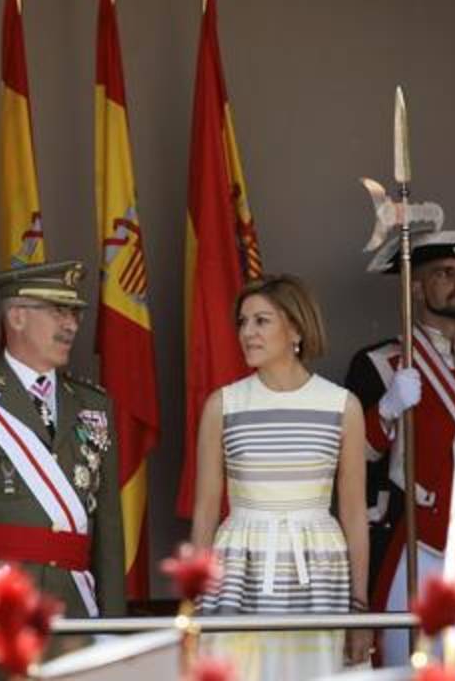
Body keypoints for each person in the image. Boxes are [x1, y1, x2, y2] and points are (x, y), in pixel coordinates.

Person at [0, 260, 125, 679]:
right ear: (17, 316)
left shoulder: (93, 404)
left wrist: (114, 622)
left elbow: (107, 527)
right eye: (57, 311)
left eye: (74, 313)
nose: (70, 325)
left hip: (74, 612)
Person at [190, 274, 372, 678]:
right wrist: (196, 601)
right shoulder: (223, 405)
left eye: (261, 321)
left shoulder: (343, 406)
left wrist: (360, 608)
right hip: (239, 568)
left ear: (296, 327)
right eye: (242, 322)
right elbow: (204, 511)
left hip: (320, 568)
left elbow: (355, 514)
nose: (247, 333)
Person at [343, 229, 455, 671]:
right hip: (413, 543)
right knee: (405, 671)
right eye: (445, 273)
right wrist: (387, 409)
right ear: (415, 285)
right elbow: (352, 461)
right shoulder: (381, 364)